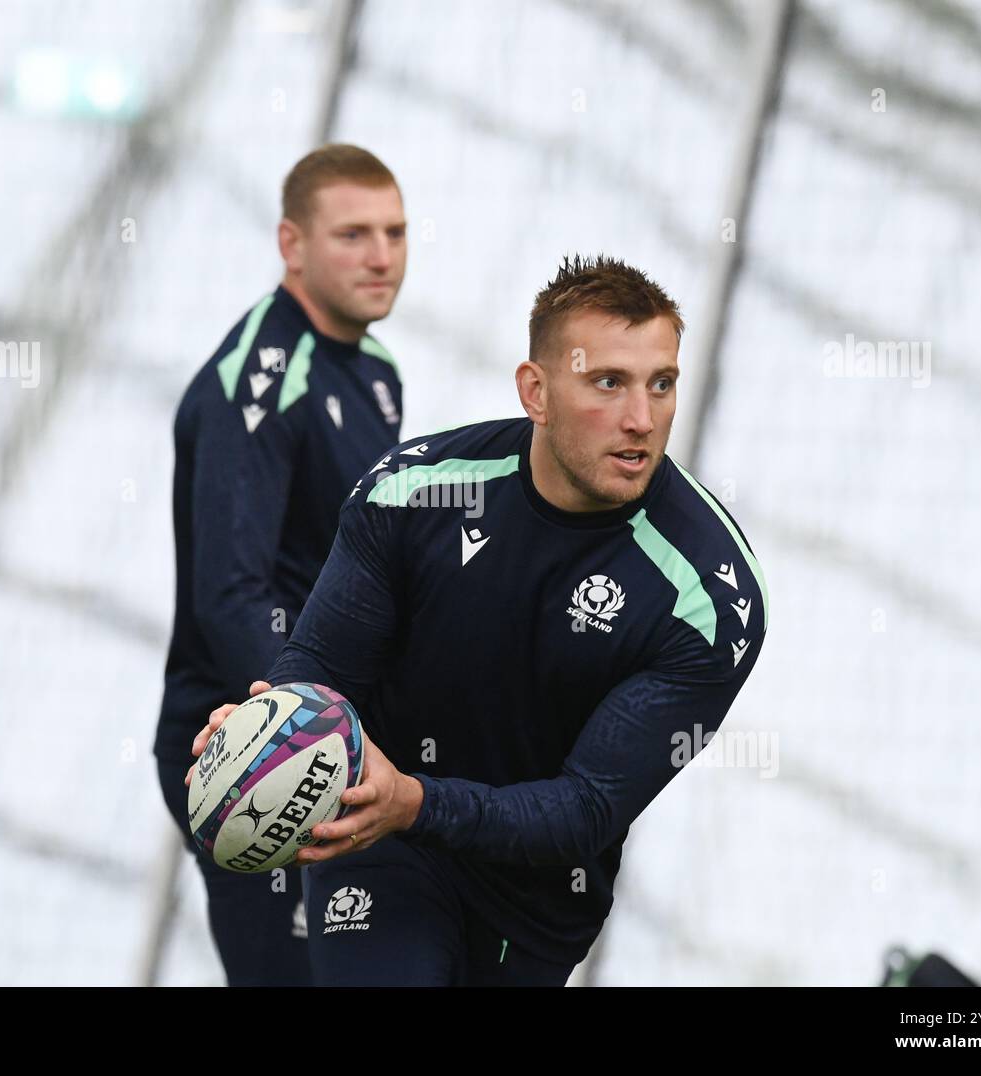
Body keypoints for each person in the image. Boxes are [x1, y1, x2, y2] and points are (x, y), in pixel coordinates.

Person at [190, 254, 769, 986]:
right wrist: (266, 721)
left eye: (661, 384)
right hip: (377, 840)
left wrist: (419, 802)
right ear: (536, 390)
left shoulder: (706, 603)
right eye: (608, 383)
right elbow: (322, 668)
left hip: (533, 902)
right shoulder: (410, 495)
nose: (641, 419)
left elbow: (585, 806)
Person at [155, 144, 407, 986]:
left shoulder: (376, 375)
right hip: (253, 745)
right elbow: (232, 594)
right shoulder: (257, 382)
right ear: (291, 245)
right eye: (353, 235)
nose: (381, 256)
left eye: (396, 232)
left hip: (340, 744)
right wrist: (316, 734)